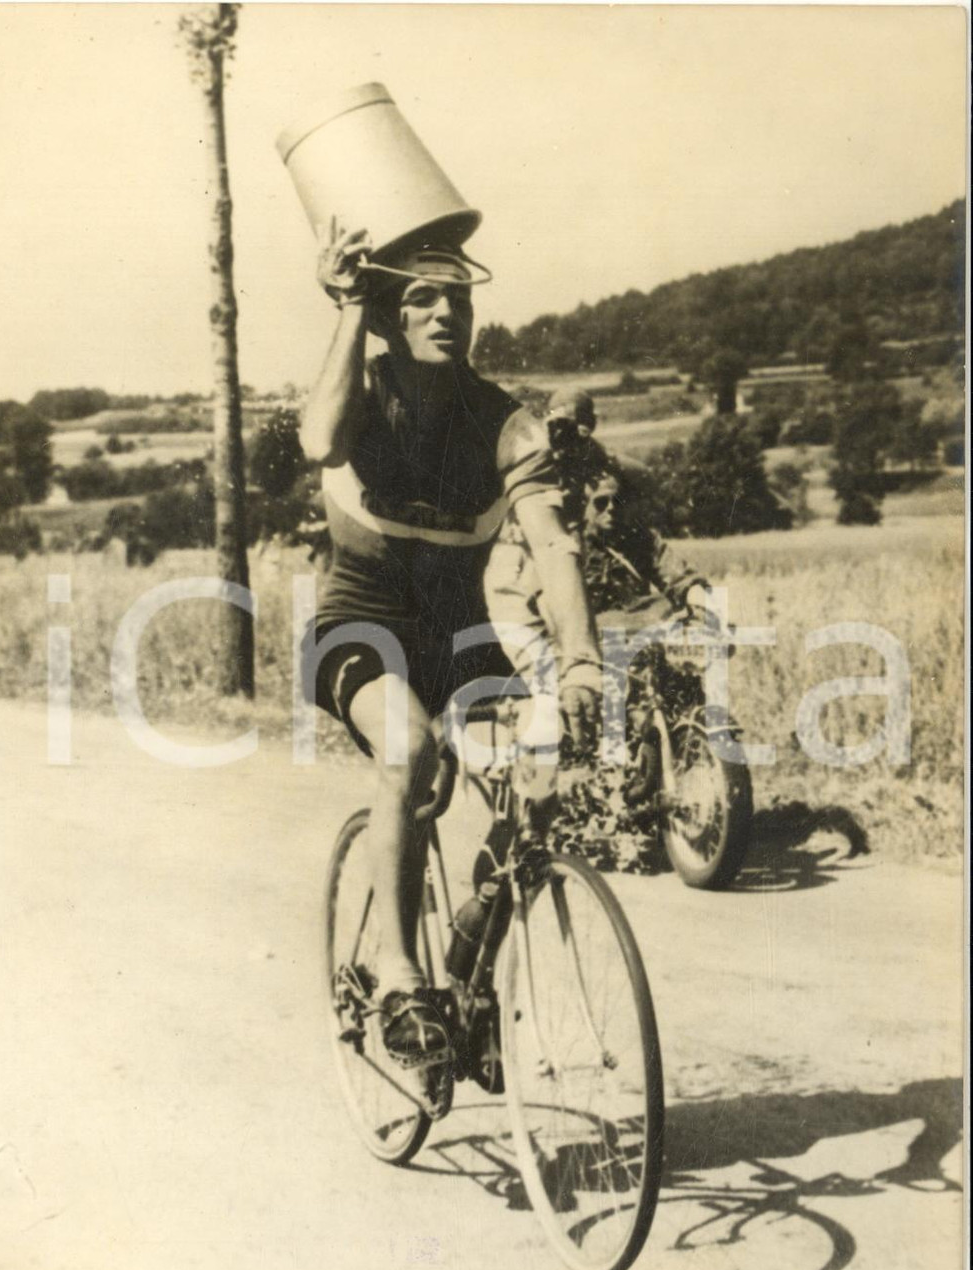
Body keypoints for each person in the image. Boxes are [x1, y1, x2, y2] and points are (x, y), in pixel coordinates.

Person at [299, 222, 603, 1065]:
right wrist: (353, 308)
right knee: (410, 749)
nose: (444, 314)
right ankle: (398, 980)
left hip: (458, 636)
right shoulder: (358, 395)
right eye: (421, 299)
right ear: (392, 316)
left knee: (543, 783)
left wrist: (580, 664)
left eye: (458, 300)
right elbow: (320, 442)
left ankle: (468, 963)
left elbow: (552, 547)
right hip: (359, 627)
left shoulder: (503, 423)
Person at [484, 385, 710, 680]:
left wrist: (702, 604)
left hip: (638, 635)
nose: (609, 509)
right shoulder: (541, 535)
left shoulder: (621, 524)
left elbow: (674, 571)